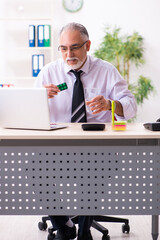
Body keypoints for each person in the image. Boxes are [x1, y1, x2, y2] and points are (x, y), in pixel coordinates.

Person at [35, 22, 137, 240]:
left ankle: (84, 233)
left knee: (92, 168)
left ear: (88, 45)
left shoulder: (106, 71)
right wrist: (38, 99)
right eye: (63, 48)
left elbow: (130, 106)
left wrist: (111, 104)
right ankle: (64, 225)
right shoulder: (48, 72)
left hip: (99, 149)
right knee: (33, 168)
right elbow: (30, 115)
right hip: (58, 149)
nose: (68, 54)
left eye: (74, 47)